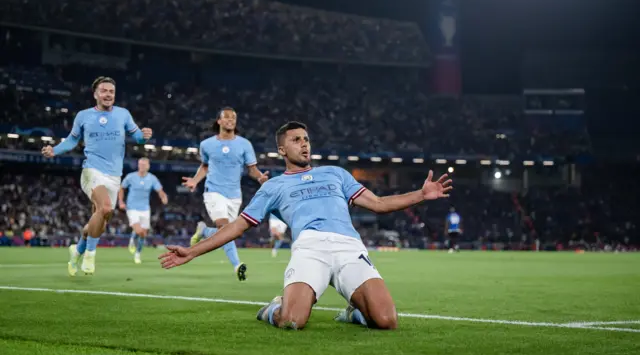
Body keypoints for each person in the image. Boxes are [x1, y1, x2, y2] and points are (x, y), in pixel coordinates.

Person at [159, 121, 452, 330]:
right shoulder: (273, 187)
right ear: (282, 150)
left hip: (349, 247)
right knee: (291, 321)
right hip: (310, 250)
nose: (304, 144)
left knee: (387, 322)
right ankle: (273, 308)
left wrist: (421, 195)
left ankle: (353, 312)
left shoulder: (335, 174)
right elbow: (237, 227)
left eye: (306, 139)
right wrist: (193, 251)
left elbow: (378, 204)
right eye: (296, 139)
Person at [42, 76, 152, 275]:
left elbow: (136, 137)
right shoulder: (84, 116)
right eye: (104, 91)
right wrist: (55, 150)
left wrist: (144, 136)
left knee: (99, 222)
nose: (108, 94)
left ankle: (77, 251)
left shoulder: (123, 114)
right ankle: (90, 255)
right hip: (92, 170)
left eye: (111, 91)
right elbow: (71, 140)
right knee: (106, 207)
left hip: (114, 176)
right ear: (95, 94)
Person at [182, 107, 268, 281]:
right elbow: (205, 166)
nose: (230, 120)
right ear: (219, 121)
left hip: (235, 195)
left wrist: (260, 178)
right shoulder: (207, 145)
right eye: (226, 117)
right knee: (224, 227)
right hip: (214, 191)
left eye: (233, 117)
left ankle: (204, 230)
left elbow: (252, 170)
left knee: (230, 233)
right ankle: (237, 265)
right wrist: (194, 180)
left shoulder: (244, 144)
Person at [118, 157, 168, 264]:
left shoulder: (152, 178)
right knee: (139, 230)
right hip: (132, 208)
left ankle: (137, 254)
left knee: (143, 234)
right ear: (138, 165)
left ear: (148, 166)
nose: (142, 167)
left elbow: (160, 190)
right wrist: (121, 201)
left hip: (145, 209)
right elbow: (122, 188)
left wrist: (163, 197)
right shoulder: (130, 177)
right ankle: (132, 239)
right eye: (140, 164)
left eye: (144, 165)